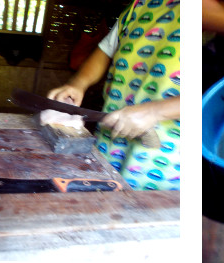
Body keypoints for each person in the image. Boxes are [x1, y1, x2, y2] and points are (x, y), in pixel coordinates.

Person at [47, 0, 181, 191]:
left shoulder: (213, 13)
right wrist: (78, 84)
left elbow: (221, 89)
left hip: (162, 157)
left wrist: (155, 111)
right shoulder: (138, 7)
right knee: (98, 193)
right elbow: (104, 51)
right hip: (110, 137)